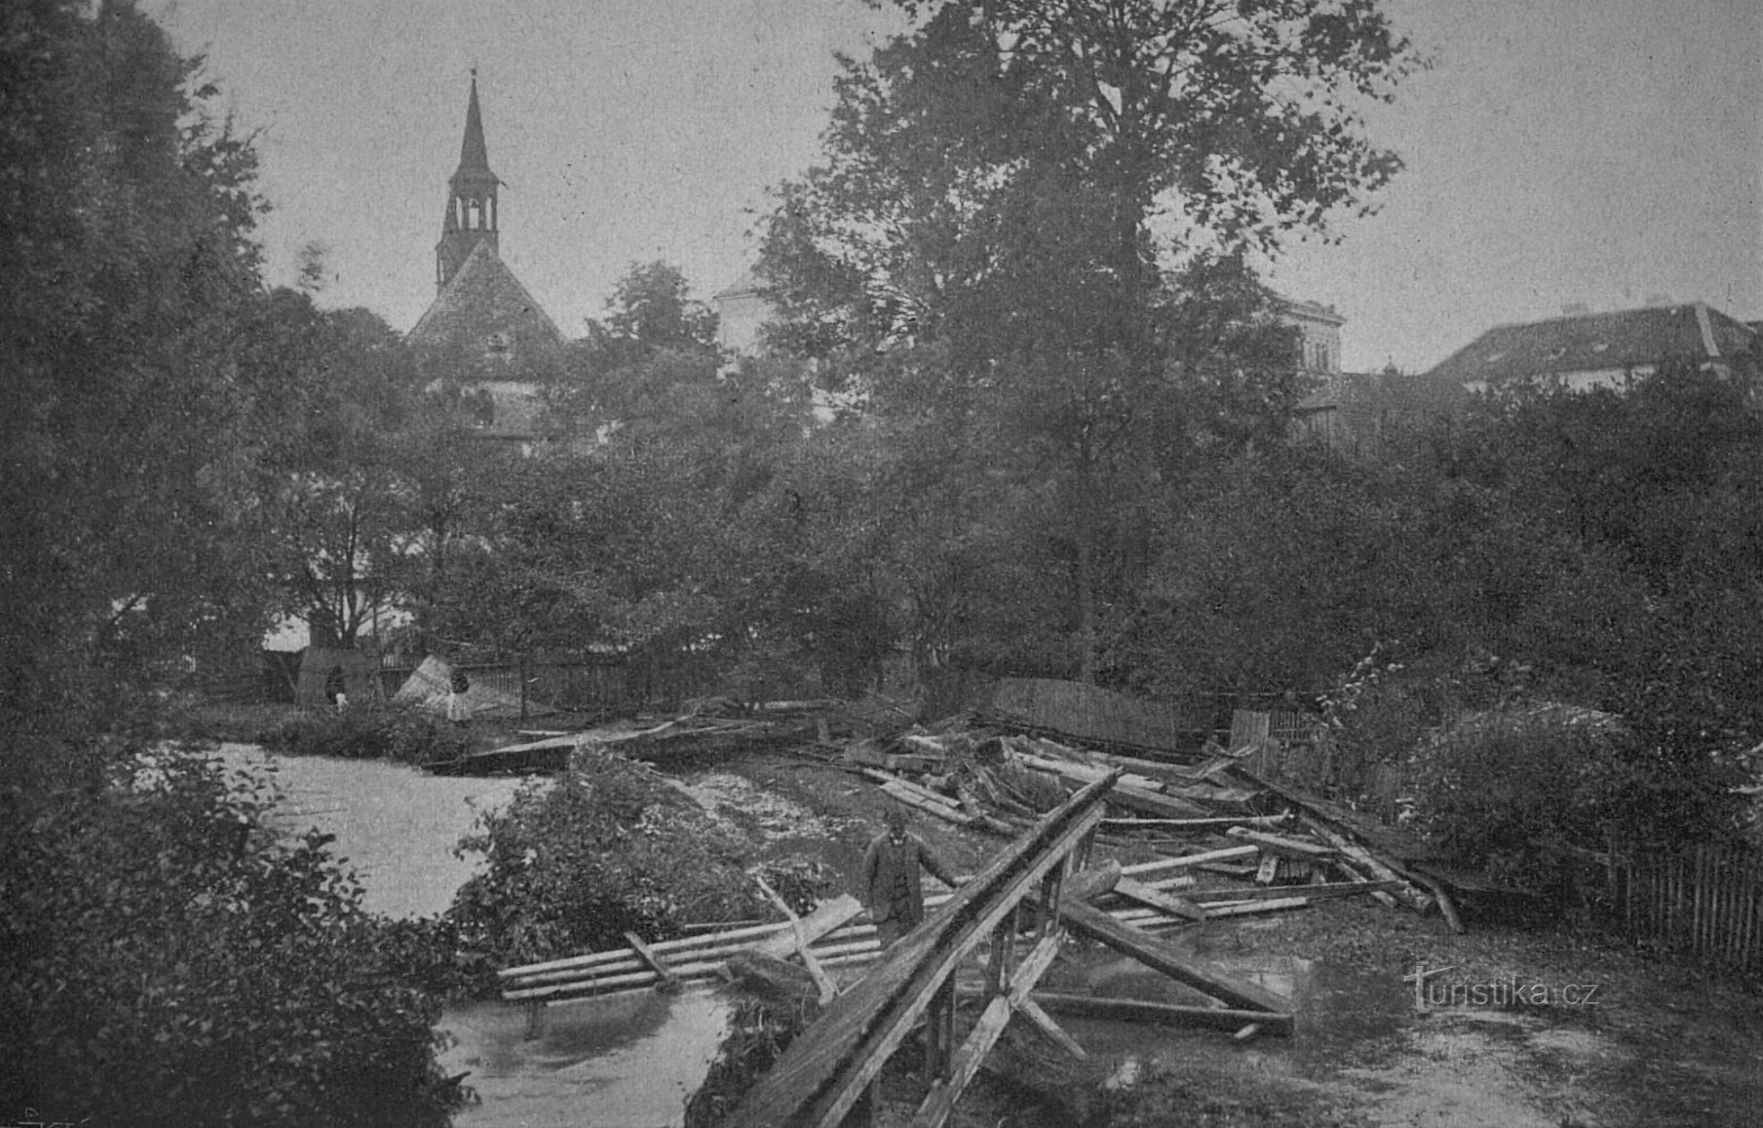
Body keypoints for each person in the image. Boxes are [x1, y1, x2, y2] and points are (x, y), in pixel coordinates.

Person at [861, 806, 963, 949]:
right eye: (893, 828)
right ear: (888, 826)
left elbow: (934, 866)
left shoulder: (916, 844)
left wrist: (953, 882)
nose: (897, 830)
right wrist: (867, 905)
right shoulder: (876, 846)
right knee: (889, 949)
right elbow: (866, 876)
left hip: (910, 908)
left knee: (911, 947)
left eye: (900, 827)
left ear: (905, 826)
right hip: (886, 909)